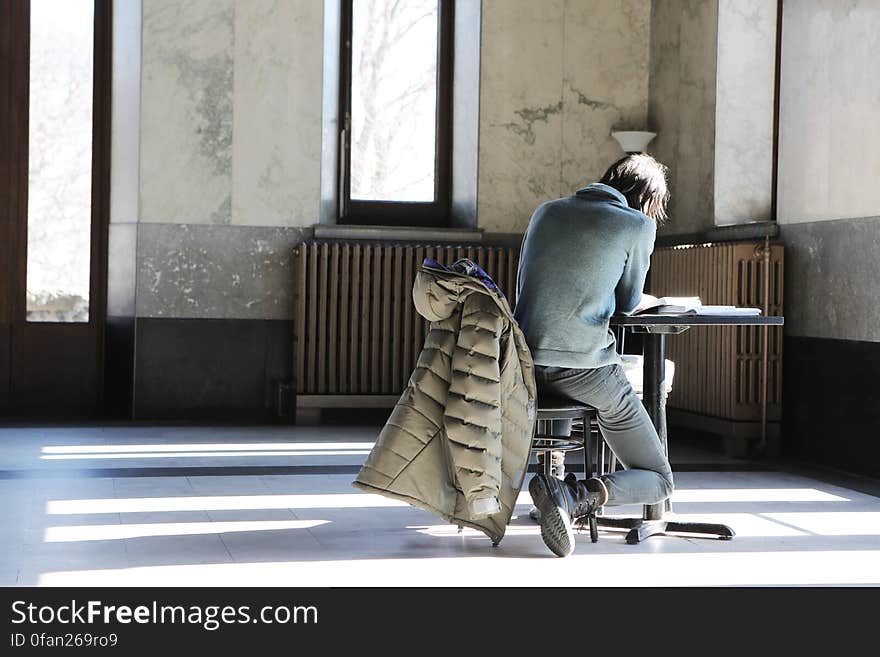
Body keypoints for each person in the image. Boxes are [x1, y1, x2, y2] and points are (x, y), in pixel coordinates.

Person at [514, 153, 674, 557]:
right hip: (584, 370)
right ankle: (572, 495)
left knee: (565, 368)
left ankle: (553, 482)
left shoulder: (545, 212)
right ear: (644, 197)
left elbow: (526, 288)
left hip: (522, 364)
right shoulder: (637, 225)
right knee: (659, 479)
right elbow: (627, 303)